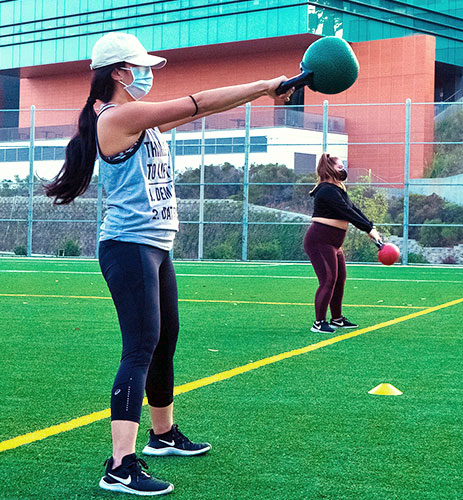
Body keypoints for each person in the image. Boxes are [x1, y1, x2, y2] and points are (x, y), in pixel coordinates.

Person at [45, 32, 293, 496]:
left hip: (155, 245)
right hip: (128, 246)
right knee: (140, 347)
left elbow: (203, 108)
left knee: (164, 340)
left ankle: (162, 435)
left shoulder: (138, 120)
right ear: (118, 72)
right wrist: (263, 86)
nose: (148, 74)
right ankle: (120, 465)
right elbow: (198, 103)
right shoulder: (120, 115)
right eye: (139, 67)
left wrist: (264, 90)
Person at [304, 153, 381, 334]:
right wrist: (367, 229)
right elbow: (347, 212)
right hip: (319, 240)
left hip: (333, 244)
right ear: (330, 169)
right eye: (340, 167)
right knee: (328, 280)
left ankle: (337, 319)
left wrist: (371, 227)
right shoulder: (326, 190)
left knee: (339, 279)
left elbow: (354, 209)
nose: (343, 169)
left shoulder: (337, 189)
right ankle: (319, 323)